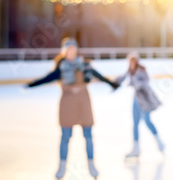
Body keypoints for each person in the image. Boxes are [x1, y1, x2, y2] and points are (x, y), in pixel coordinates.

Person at [26, 38, 119, 179]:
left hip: (83, 104)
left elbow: (98, 76)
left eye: (72, 49)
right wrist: (31, 85)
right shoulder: (61, 68)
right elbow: (47, 78)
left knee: (88, 136)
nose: (70, 51)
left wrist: (112, 84)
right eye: (67, 49)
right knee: (65, 137)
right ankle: (62, 167)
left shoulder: (85, 65)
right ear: (64, 51)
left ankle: (91, 164)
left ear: (76, 50)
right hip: (67, 105)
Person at [115, 52, 165, 158]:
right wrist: (113, 82)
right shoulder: (130, 71)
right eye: (130, 61)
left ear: (136, 61)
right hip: (136, 99)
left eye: (133, 61)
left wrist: (135, 82)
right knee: (135, 124)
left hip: (145, 99)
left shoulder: (141, 70)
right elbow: (122, 78)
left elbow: (145, 82)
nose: (132, 63)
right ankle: (136, 148)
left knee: (147, 121)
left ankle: (160, 142)